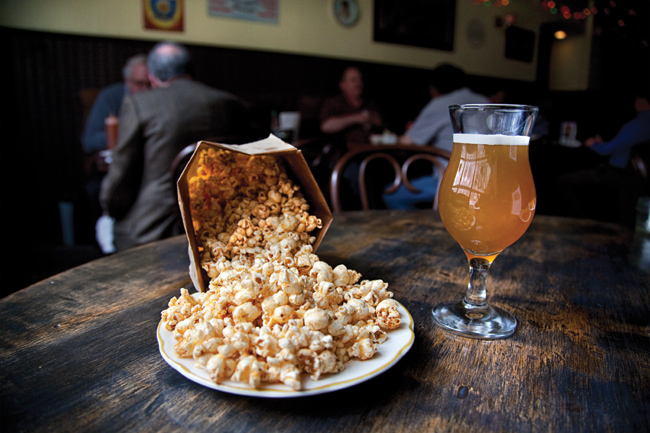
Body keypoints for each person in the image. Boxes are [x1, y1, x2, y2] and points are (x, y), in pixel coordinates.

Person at [100, 41, 251, 252]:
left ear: (152, 77)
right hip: (220, 220)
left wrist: (108, 207)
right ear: (189, 70)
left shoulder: (139, 105)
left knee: (110, 227)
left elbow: (121, 178)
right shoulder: (233, 104)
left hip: (155, 229)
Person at [385, 64, 489, 209]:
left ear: (433, 89)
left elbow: (405, 143)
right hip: (487, 184)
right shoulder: (485, 102)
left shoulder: (441, 104)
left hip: (451, 183)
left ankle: (417, 228)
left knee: (390, 194)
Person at [81, 54, 150, 253]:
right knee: (96, 190)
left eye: (149, 84)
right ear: (127, 81)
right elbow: (89, 140)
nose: (144, 90)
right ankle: (103, 251)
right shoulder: (111, 97)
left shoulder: (157, 101)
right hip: (115, 169)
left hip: (147, 169)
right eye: (139, 84)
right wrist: (126, 131)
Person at [555, 88, 650, 227]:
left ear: (641, 100)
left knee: (560, 182)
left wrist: (592, 144)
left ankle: (581, 223)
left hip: (618, 175)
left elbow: (607, 150)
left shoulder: (638, 124)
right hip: (635, 181)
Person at [320, 66, 383, 148]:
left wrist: (373, 118)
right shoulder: (334, 103)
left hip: (372, 153)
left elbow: (382, 125)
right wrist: (356, 118)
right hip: (344, 155)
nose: (358, 83)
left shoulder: (370, 103)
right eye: (353, 80)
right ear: (343, 85)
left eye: (360, 79)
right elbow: (326, 126)